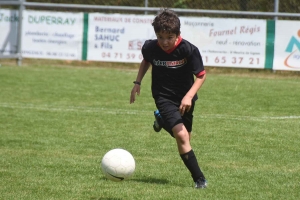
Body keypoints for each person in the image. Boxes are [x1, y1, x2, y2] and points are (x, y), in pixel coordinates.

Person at [130, 8, 207, 189]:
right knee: (181, 136)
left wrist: (188, 96)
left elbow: (202, 76)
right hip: (163, 95)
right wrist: (137, 82)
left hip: (185, 97)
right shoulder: (150, 47)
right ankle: (200, 179)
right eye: (160, 37)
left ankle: (161, 120)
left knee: (186, 138)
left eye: (169, 37)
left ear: (178, 34)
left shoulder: (188, 49)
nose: (164, 42)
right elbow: (146, 60)